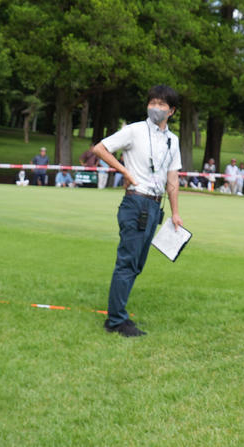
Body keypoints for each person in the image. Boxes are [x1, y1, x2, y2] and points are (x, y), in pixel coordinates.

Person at [91, 84, 185, 338]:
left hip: (155, 205)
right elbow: (100, 148)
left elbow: (172, 177)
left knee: (137, 264)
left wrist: (175, 213)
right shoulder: (134, 130)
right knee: (128, 261)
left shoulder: (172, 140)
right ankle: (116, 320)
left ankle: (118, 313)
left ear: (171, 111)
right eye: (152, 103)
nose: (155, 108)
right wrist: (124, 171)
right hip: (136, 202)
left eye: (161, 104)